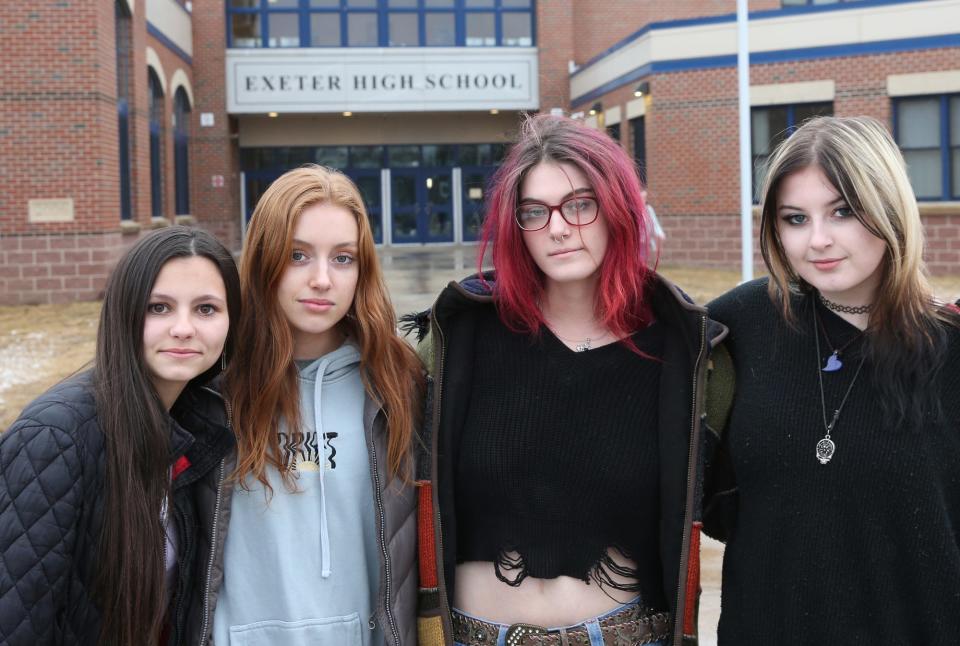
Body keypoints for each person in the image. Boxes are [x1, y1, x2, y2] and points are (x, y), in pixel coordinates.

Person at [407, 114, 726, 646]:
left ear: (619, 208)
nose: (557, 227)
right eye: (535, 212)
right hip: (472, 634)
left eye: (580, 204)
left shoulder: (683, 353)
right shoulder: (458, 341)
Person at [704, 116, 960, 644]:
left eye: (842, 211)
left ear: (889, 208)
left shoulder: (950, 347)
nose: (817, 240)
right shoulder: (739, 325)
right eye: (795, 219)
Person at [208, 165, 424, 646]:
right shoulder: (213, 391)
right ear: (265, 259)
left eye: (343, 258)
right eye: (298, 255)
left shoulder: (398, 385)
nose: (322, 279)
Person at [0, 226, 241, 646]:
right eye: (159, 308)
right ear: (124, 312)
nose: (184, 329)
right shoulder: (55, 439)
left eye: (206, 309)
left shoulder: (198, 427)